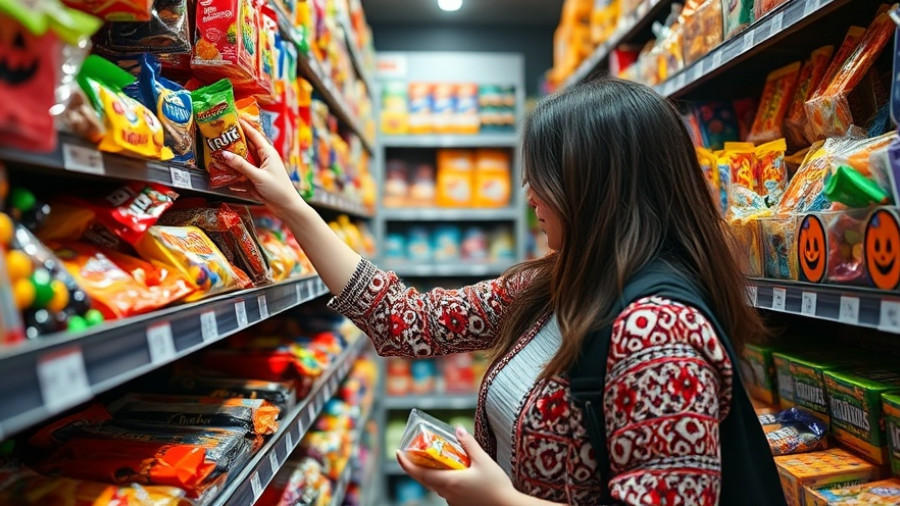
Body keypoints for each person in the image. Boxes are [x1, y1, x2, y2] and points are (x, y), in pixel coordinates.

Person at [222, 78, 785, 506]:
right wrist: (292, 205)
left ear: (596, 184)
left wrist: (500, 500)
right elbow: (407, 320)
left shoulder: (657, 330)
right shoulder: (557, 282)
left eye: (545, 172)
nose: (528, 191)